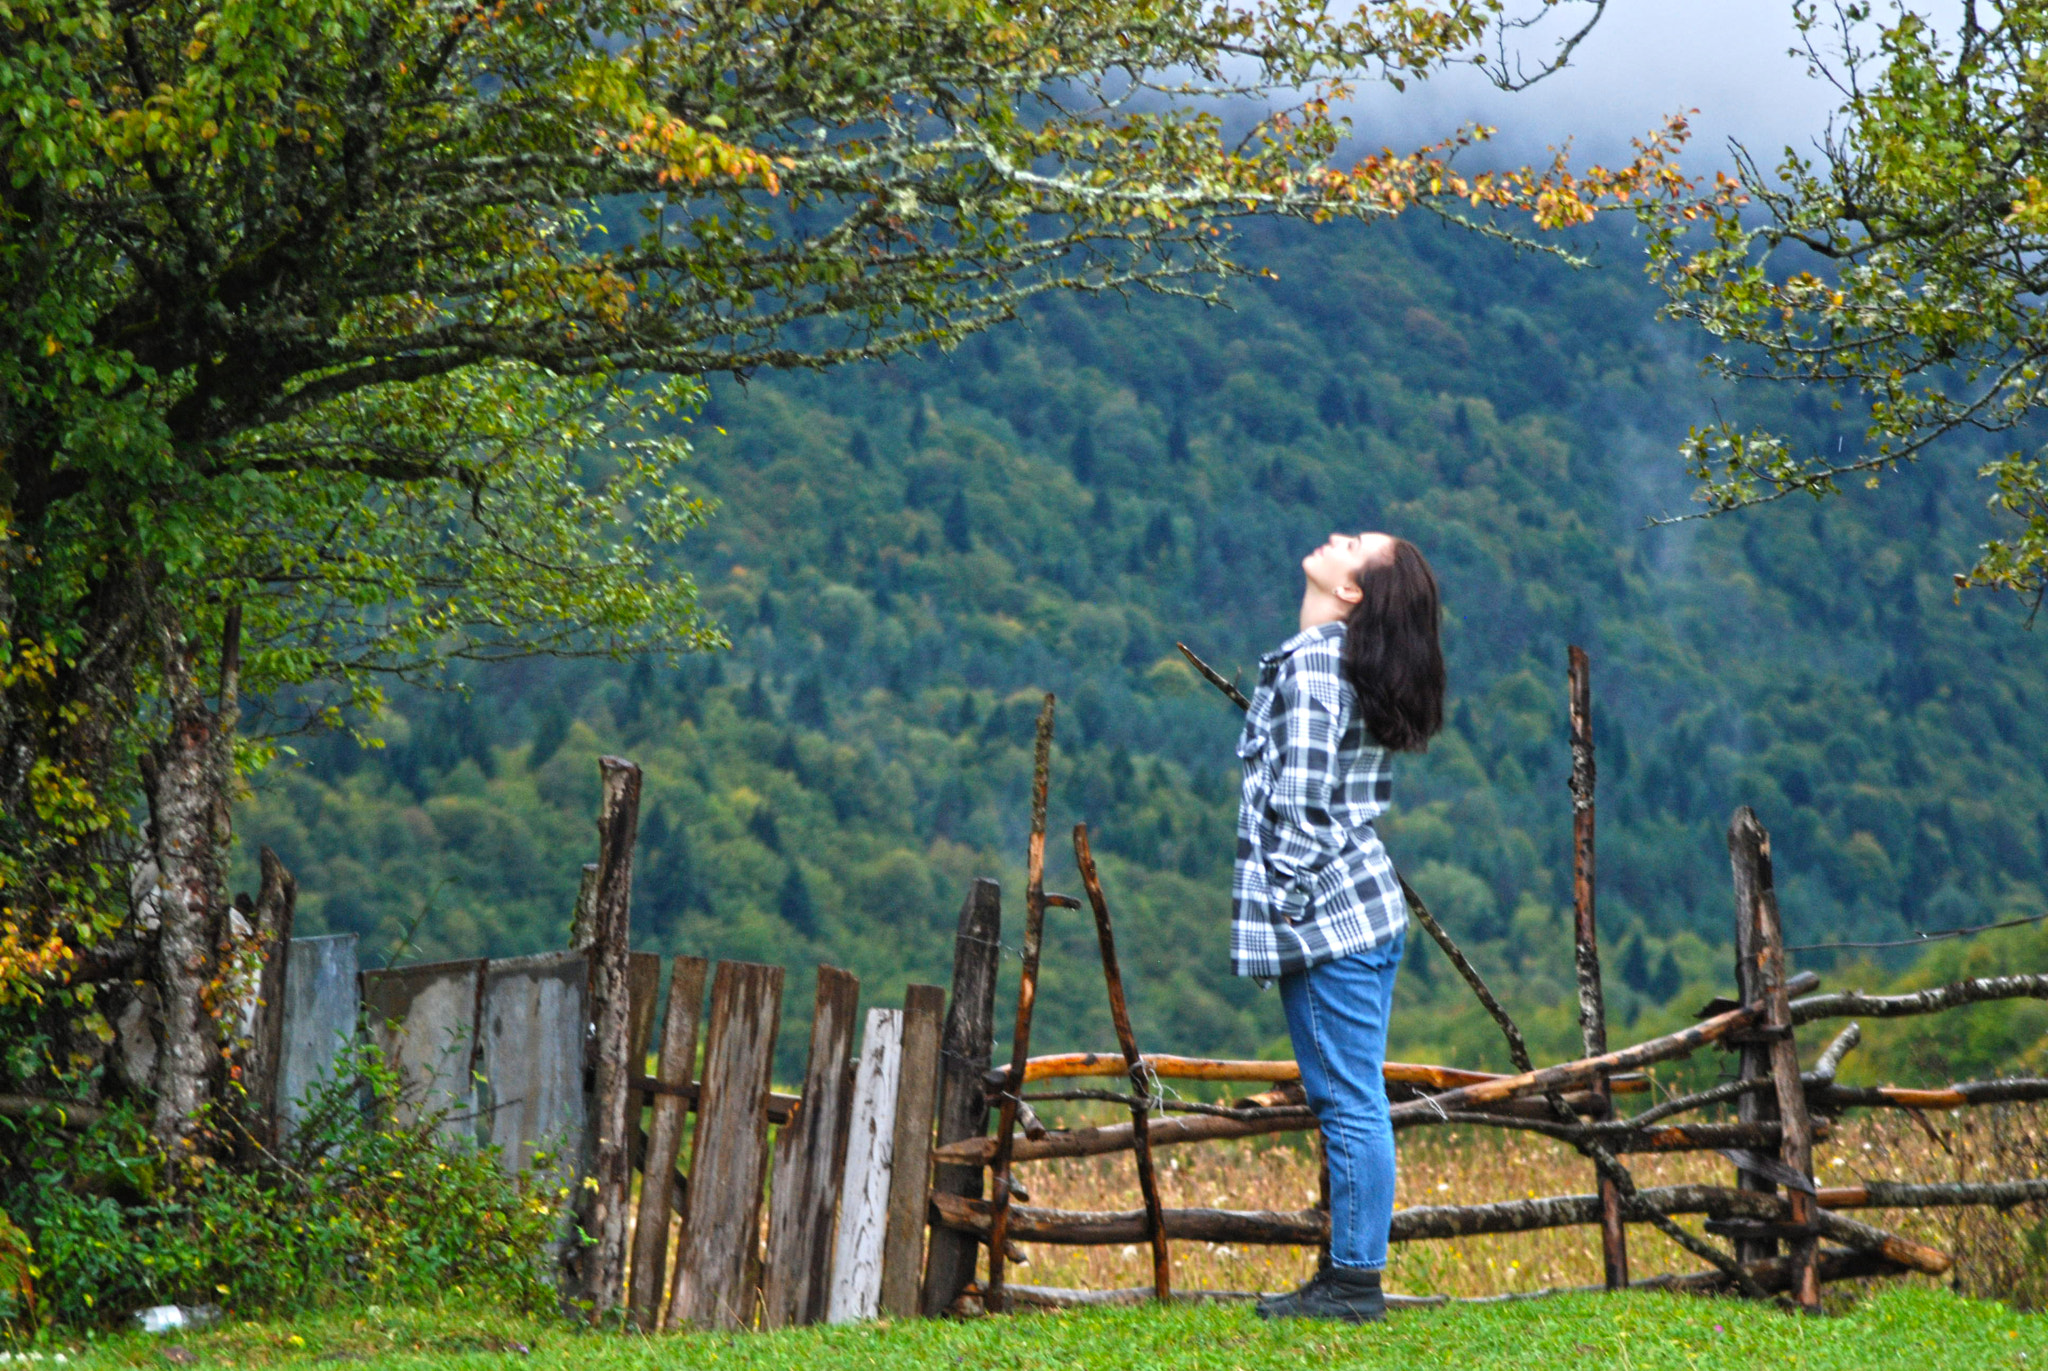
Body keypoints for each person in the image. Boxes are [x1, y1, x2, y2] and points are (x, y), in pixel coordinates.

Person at [1233, 531, 1445, 1324]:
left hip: (1331, 922)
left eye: (1353, 544)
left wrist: (1287, 908)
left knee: (1349, 1099)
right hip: (1356, 910)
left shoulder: (1319, 665)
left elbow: (1306, 806)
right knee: (1352, 1094)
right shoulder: (1336, 661)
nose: (1334, 538)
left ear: (1353, 591)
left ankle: (1353, 1283)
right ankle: (1346, 1274)